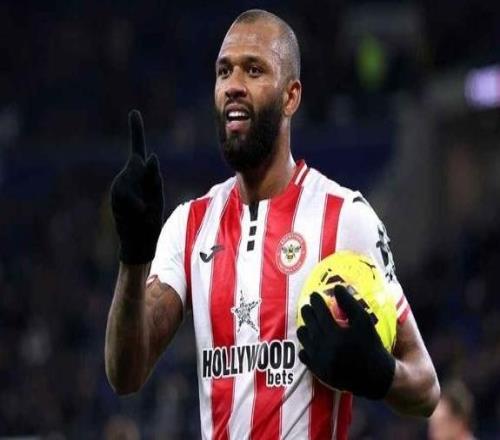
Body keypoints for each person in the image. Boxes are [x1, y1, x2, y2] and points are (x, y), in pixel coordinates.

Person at [105, 9, 440, 439]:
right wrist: (133, 256)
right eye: (224, 71)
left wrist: (380, 373)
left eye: (254, 70)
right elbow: (125, 374)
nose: (233, 85)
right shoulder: (189, 224)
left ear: (290, 97)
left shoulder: (345, 217)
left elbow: (426, 388)